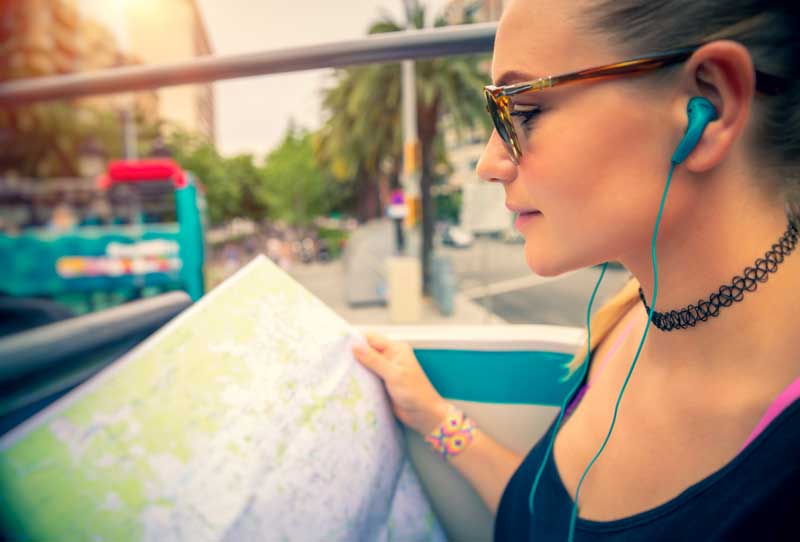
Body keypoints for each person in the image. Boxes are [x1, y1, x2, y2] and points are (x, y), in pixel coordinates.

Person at [353, 0, 800, 540]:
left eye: (525, 111)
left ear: (707, 104)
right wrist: (433, 417)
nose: (488, 164)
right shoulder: (630, 318)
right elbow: (548, 521)